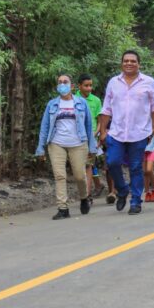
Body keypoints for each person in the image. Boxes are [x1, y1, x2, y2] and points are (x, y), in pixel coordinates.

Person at [98, 50, 154, 215]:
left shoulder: (148, 82)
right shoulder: (113, 82)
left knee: (135, 168)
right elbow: (106, 108)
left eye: (133, 61)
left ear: (138, 64)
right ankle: (122, 189)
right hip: (116, 132)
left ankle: (135, 202)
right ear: (122, 63)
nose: (129, 63)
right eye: (126, 60)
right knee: (112, 162)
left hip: (140, 133)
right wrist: (103, 130)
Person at [36, 74, 97, 220]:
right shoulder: (52, 104)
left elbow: (89, 126)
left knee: (79, 176)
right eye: (60, 82)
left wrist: (92, 148)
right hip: (56, 143)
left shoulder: (82, 103)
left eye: (65, 82)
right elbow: (44, 127)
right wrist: (40, 148)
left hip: (78, 143)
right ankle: (63, 208)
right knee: (60, 176)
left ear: (72, 86)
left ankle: (84, 198)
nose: (62, 85)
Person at [76, 73, 104, 201]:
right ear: (79, 86)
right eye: (86, 86)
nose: (89, 88)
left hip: (91, 137)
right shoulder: (72, 99)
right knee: (80, 167)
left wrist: (96, 135)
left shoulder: (96, 100)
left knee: (88, 165)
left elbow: (100, 121)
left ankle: (86, 195)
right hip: (75, 138)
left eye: (90, 86)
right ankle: (95, 187)